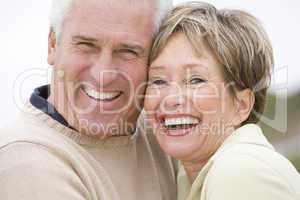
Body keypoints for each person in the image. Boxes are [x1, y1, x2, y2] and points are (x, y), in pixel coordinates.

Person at [0, 0, 177, 199]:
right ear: (52, 44)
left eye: (128, 51)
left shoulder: (169, 136)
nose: (103, 74)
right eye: (86, 45)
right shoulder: (25, 162)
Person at [144, 2, 300, 200]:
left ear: (241, 105)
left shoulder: (239, 172)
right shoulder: (192, 176)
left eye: (196, 80)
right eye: (158, 80)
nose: (171, 99)